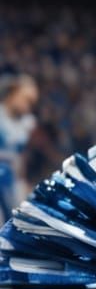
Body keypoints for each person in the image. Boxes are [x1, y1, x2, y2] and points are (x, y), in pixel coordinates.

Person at [0, 71, 39, 225]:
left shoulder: (27, 123)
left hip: (11, 180)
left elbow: (21, 156)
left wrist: (22, 182)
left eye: (32, 103)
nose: (28, 107)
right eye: (26, 100)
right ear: (13, 93)